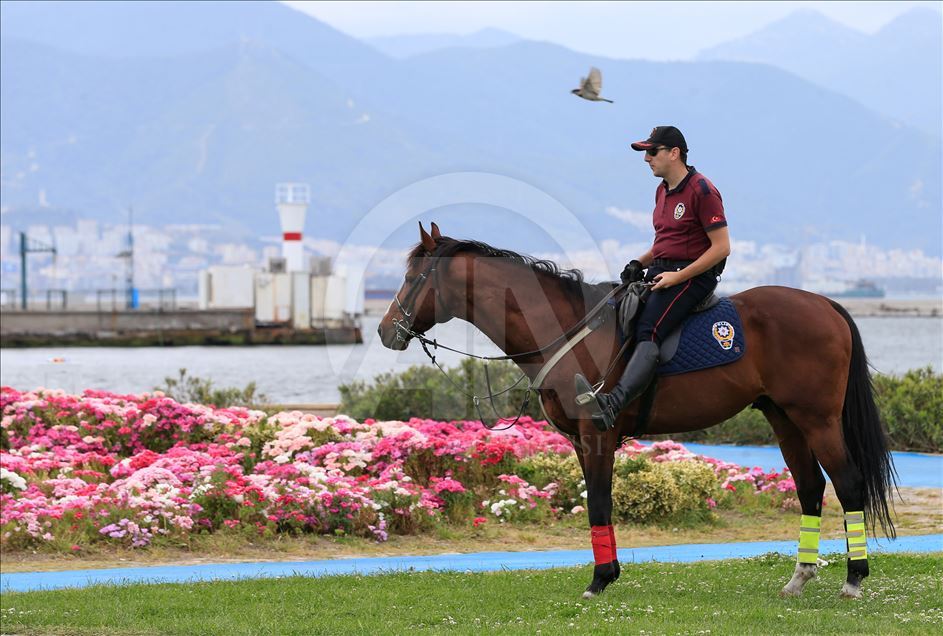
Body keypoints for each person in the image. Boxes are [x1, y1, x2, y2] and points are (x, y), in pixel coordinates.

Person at [577, 125, 731, 431]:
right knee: (615, 310)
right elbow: (665, 242)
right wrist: (639, 262)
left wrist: (677, 277)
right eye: (645, 153)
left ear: (674, 154)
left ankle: (614, 403)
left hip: (694, 276)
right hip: (661, 270)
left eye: (652, 152)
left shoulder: (702, 190)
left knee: (649, 328)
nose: (647, 158)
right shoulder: (662, 190)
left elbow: (721, 247)